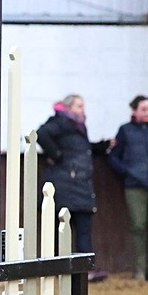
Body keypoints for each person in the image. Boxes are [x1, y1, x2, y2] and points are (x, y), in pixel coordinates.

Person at [36, 94, 112, 282]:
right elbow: (41, 134)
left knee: (81, 229)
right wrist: (57, 154)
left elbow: (80, 148)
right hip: (66, 183)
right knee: (63, 229)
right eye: (79, 106)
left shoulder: (77, 126)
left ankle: (81, 269)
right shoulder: (61, 122)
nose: (82, 109)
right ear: (69, 107)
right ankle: (60, 267)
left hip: (79, 183)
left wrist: (101, 147)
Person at [107, 95, 148, 281]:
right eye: (143, 109)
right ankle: (138, 270)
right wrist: (127, 173)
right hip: (135, 186)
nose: (147, 112)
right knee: (139, 227)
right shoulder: (125, 131)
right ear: (134, 111)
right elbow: (113, 156)